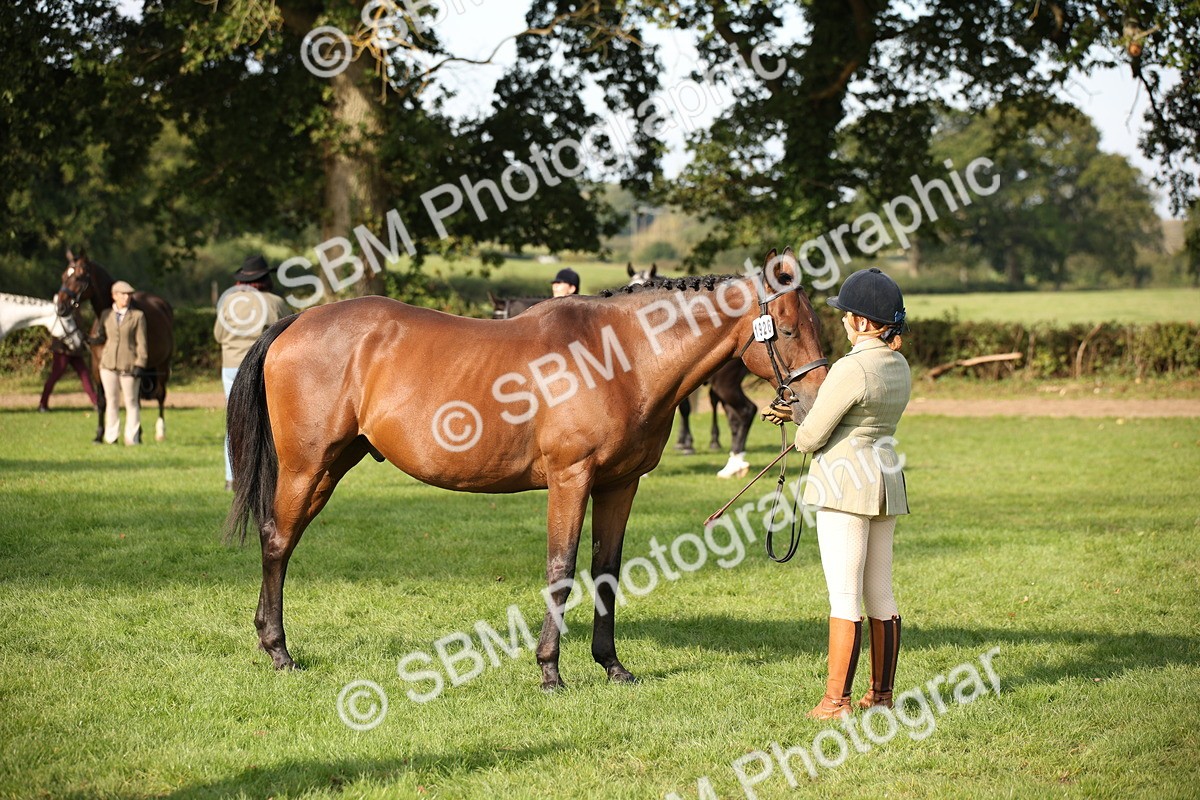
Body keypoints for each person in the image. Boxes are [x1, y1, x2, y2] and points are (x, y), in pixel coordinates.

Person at [778, 267, 910, 720]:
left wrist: (795, 421)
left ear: (865, 322)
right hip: (886, 481)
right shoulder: (899, 365)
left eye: (848, 314)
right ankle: (882, 696)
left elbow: (812, 436)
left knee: (844, 597)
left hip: (844, 486)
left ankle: (836, 702)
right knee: (881, 593)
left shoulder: (851, 367)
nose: (843, 321)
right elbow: (858, 418)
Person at [214, 255, 292, 489]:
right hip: (262, 365)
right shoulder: (274, 302)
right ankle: (268, 476)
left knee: (235, 419)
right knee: (267, 421)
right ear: (265, 278)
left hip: (230, 365)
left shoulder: (228, 302)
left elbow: (218, 335)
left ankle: (232, 477)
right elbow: (291, 334)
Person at [93, 280, 148, 445]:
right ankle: (111, 436)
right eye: (123, 294)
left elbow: (142, 343)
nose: (127, 297)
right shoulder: (106, 314)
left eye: (129, 294)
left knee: (131, 402)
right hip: (108, 364)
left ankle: (132, 438)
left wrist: (141, 363)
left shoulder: (138, 316)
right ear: (114, 296)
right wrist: (92, 340)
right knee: (112, 401)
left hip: (129, 363)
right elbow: (102, 336)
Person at [38, 303, 98, 411]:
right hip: (62, 350)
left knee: (84, 375)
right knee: (55, 376)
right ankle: (43, 404)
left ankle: (96, 402)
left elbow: (79, 328)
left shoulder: (75, 310)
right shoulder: (61, 308)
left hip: (75, 350)